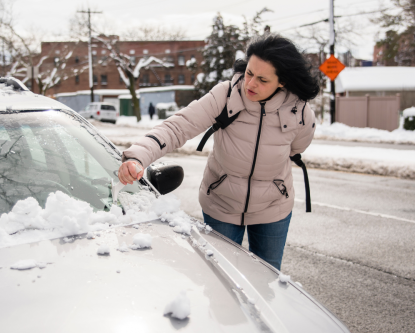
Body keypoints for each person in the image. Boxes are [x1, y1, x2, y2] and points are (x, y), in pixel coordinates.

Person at [117, 34, 319, 270]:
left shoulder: (300, 112)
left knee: (269, 278)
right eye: (249, 73)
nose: (250, 84)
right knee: (221, 279)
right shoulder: (226, 95)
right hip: (222, 205)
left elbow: (297, 148)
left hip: (273, 208)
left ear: (282, 82)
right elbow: (177, 127)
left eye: (262, 79)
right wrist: (137, 156)